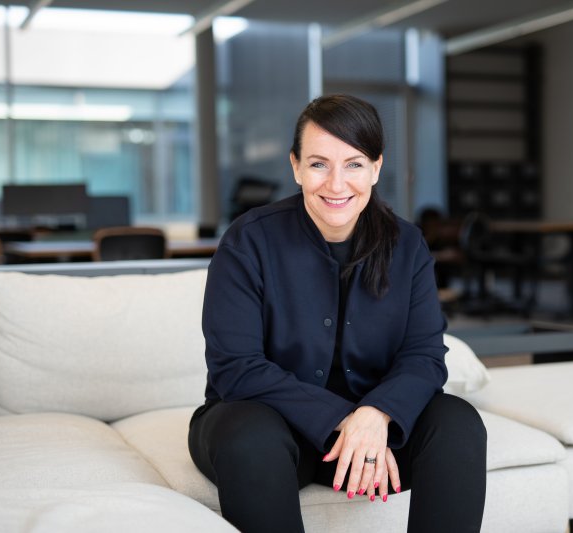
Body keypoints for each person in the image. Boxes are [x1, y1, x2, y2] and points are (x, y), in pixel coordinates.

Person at [188, 94, 487, 533]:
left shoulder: (407, 245)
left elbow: (424, 357)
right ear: (295, 167)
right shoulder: (248, 241)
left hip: (374, 430)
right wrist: (345, 419)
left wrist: (377, 414)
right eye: (318, 164)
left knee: (457, 422)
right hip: (267, 429)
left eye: (354, 164)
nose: (336, 183)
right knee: (250, 436)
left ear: (376, 168)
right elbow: (236, 368)